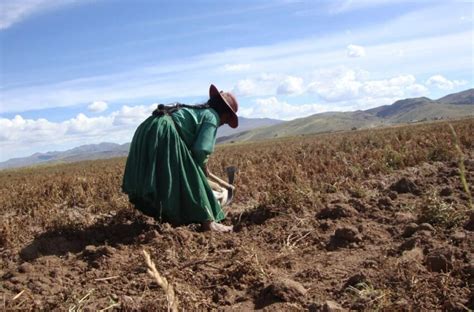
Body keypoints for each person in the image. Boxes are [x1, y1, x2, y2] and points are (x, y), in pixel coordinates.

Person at [122, 84, 238, 232]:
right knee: (190, 174)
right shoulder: (212, 116)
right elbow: (200, 150)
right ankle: (208, 222)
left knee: (167, 176)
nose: (223, 124)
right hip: (165, 132)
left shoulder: (197, 111)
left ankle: (172, 217)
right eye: (226, 121)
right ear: (225, 114)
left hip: (148, 129)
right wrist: (202, 170)